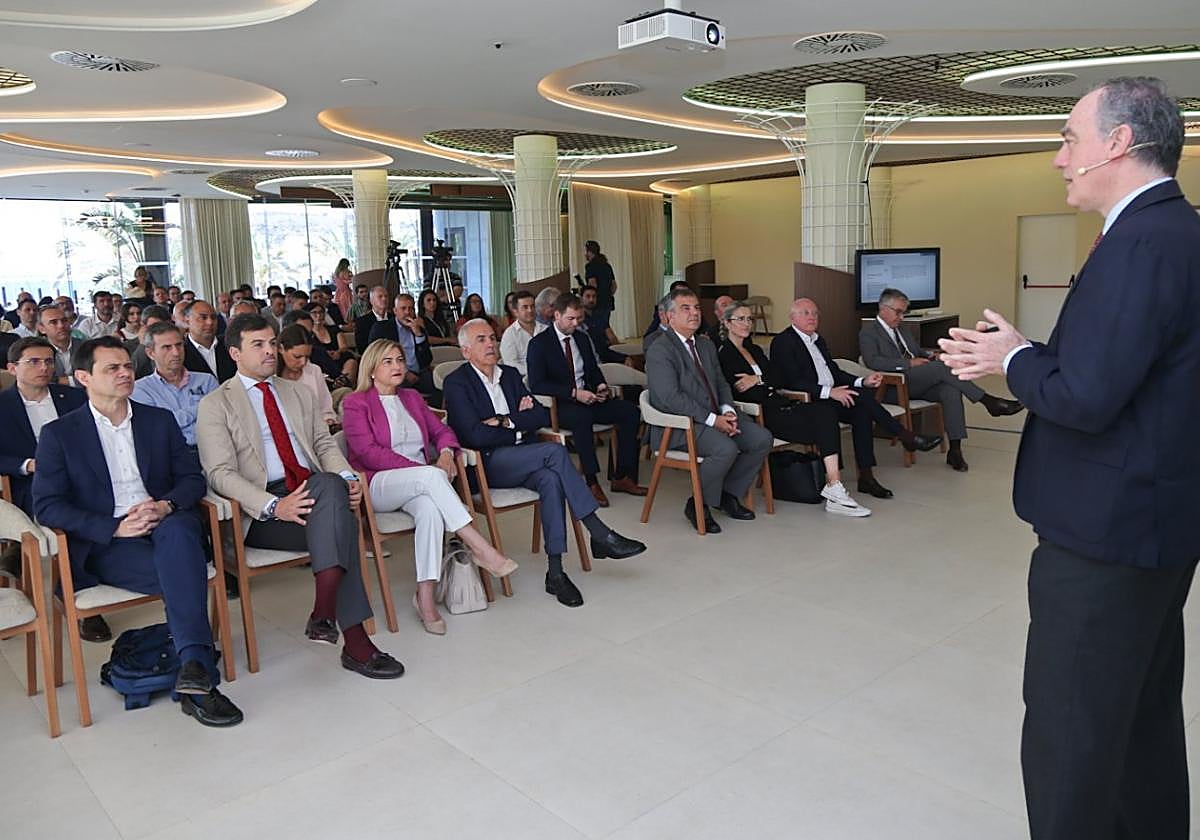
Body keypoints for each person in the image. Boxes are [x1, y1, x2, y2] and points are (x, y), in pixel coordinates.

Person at [937, 77, 1200, 840]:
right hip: (1157, 525)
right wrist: (1024, 354)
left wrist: (1013, 360)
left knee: (1070, 733)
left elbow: (1087, 397)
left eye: (1068, 139)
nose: (1060, 159)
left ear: (1118, 143)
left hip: (1105, 536)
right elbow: (1127, 370)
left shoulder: (1139, 244)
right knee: (1142, 716)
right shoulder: (1182, 232)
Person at [34, 336, 242, 726]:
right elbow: (47, 505)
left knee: (179, 536)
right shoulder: (60, 434)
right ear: (83, 377)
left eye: (127, 366)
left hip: (165, 520)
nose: (125, 373)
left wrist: (163, 505)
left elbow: (190, 479)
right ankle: (197, 669)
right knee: (184, 568)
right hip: (110, 541)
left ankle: (193, 670)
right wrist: (115, 527)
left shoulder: (156, 420)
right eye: (112, 368)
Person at [197, 314, 403, 680]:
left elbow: (324, 444)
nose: (270, 351)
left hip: (312, 492)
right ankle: (353, 641)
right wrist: (276, 505)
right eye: (258, 345)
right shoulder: (216, 404)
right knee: (340, 522)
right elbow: (219, 474)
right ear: (234, 353)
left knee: (332, 486)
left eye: (272, 343)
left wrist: (347, 478)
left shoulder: (297, 392)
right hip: (262, 510)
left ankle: (325, 613)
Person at [443, 319, 645, 607]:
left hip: (521, 456)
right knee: (555, 453)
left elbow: (539, 416)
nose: (490, 344)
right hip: (486, 465)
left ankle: (556, 573)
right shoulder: (457, 383)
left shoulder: (510, 375)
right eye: (481, 340)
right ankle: (599, 533)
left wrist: (505, 421)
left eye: (492, 337)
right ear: (465, 350)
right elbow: (473, 434)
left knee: (551, 479)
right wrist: (518, 425)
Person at [343, 339, 521, 634]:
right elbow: (366, 452)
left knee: (430, 511)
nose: (398, 366)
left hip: (422, 486)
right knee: (430, 480)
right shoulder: (355, 402)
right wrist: (425, 471)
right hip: (378, 484)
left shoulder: (412, 397)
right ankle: (479, 545)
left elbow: (442, 430)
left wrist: (448, 452)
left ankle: (425, 597)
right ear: (371, 369)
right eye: (388, 361)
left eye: (400, 359)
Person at [770, 299, 942, 505]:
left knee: (862, 409)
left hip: (831, 396)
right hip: (809, 402)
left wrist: (862, 381)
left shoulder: (818, 340)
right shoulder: (783, 341)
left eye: (815, 313)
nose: (812, 317)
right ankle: (906, 436)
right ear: (792, 317)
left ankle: (866, 476)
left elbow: (834, 371)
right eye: (806, 313)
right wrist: (829, 392)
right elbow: (791, 380)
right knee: (861, 400)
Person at [719, 302, 873, 515]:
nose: (746, 324)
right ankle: (835, 490)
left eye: (749, 319)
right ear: (727, 323)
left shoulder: (754, 349)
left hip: (781, 404)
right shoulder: (724, 353)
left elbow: (779, 376)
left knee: (826, 412)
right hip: (761, 415)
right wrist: (766, 383)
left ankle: (834, 486)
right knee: (823, 418)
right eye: (740, 319)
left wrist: (758, 378)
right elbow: (744, 391)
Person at [645, 287, 773, 533]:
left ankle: (727, 494)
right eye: (686, 309)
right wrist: (713, 420)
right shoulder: (660, 349)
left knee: (761, 439)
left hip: (715, 416)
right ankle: (698, 503)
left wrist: (728, 410)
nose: (694, 313)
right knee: (726, 448)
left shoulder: (705, 345)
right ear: (670, 317)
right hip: (679, 426)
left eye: (696, 308)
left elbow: (720, 382)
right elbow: (670, 397)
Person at [861, 287, 1023, 471]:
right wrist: (909, 364)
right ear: (883, 308)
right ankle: (988, 401)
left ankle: (955, 451)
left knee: (950, 390)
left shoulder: (902, 329)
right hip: (893, 387)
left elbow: (917, 352)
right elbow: (872, 361)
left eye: (904, 313)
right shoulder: (868, 332)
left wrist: (930, 356)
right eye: (898, 312)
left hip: (915, 383)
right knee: (943, 367)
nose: (902, 317)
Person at [0, 337, 96, 638]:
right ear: (13, 368)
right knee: (67, 520)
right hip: (32, 482)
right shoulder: (2, 407)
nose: (44, 368)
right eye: (34, 362)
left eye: (48, 361)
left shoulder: (73, 398)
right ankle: (84, 601)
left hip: (82, 476)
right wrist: (28, 464)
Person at [526, 293, 646, 505]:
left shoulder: (581, 338)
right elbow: (537, 384)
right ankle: (591, 481)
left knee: (629, 412)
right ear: (557, 315)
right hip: (559, 404)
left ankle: (623, 476)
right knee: (582, 418)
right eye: (571, 319)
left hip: (588, 397)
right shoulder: (539, 344)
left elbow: (592, 369)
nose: (576, 323)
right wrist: (573, 393)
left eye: (578, 319)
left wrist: (600, 386)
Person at [132, 322, 218, 450]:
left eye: (179, 345)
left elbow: (219, 419)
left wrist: (174, 417)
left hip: (211, 449)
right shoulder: (141, 389)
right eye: (167, 347)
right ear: (151, 353)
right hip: (170, 455)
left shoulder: (207, 380)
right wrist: (201, 407)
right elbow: (160, 427)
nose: (176, 353)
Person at [367, 293, 436, 400]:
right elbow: (375, 357)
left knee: (441, 387)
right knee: (402, 392)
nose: (407, 312)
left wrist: (418, 335)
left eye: (411, 309)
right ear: (395, 311)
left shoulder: (418, 329)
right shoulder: (382, 328)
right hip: (393, 373)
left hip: (419, 374)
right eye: (403, 308)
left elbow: (427, 359)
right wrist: (405, 372)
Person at [276, 324, 336, 427]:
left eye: (307, 357)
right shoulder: (270, 377)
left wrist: (328, 420)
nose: (303, 362)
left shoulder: (314, 371)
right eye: (297, 356)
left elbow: (326, 409)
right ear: (281, 349)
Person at [182, 299, 236, 382]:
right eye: (203, 317)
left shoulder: (229, 345)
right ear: (187, 321)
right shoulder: (181, 352)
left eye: (213, 317)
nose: (210, 322)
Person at [499, 289, 545, 376]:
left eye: (532, 306)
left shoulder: (545, 330)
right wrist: (535, 371)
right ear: (515, 311)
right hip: (523, 379)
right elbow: (510, 364)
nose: (530, 310)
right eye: (525, 307)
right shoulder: (509, 334)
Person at [578, 285, 627, 364]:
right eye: (588, 296)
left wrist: (621, 350)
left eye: (594, 296)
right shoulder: (579, 319)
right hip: (594, 358)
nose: (591, 299)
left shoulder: (599, 316)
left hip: (606, 352)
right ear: (581, 299)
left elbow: (611, 337)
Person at [36, 304, 82, 387]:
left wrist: (57, 380)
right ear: (42, 328)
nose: (61, 326)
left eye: (64, 320)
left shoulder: (85, 346)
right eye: (53, 322)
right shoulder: (37, 352)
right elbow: (41, 380)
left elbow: (95, 378)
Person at [583, 240, 616, 333]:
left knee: (598, 327)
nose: (585, 254)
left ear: (589, 252)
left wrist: (592, 297)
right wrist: (607, 294)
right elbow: (614, 285)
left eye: (585, 251)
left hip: (597, 303)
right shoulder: (607, 265)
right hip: (608, 301)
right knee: (605, 325)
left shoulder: (590, 266)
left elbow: (592, 285)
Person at [354, 285, 391, 354]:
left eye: (386, 296)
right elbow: (362, 348)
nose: (384, 299)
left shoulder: (394, 318)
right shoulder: (362, 322)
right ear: (371, 301)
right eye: (380, 296)